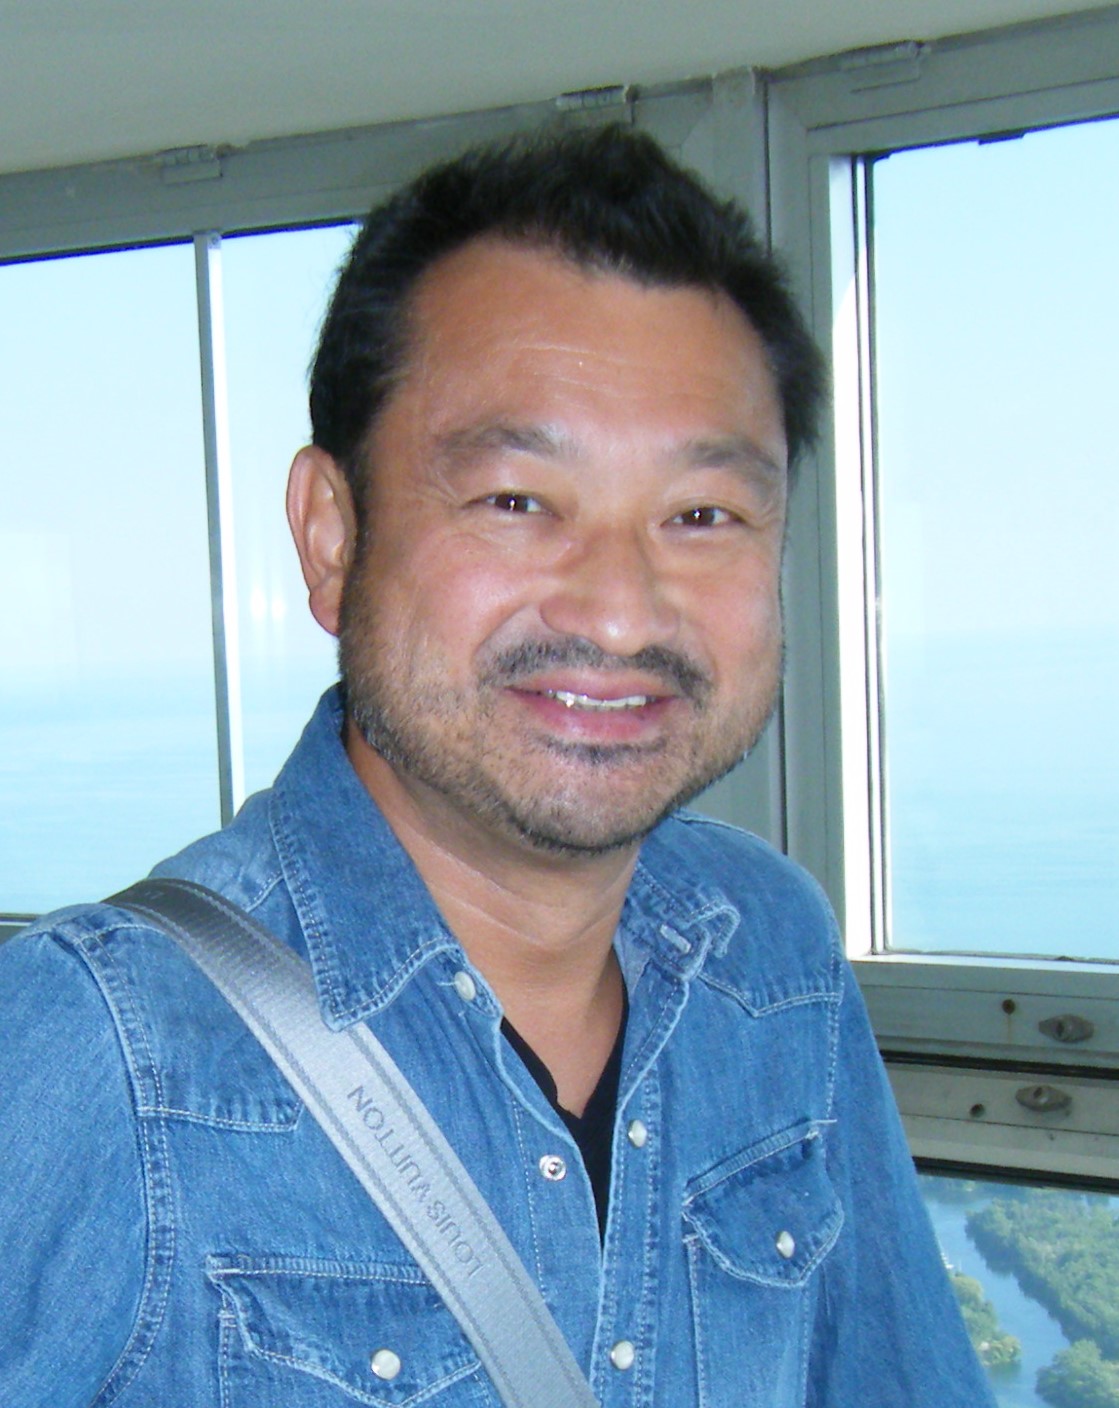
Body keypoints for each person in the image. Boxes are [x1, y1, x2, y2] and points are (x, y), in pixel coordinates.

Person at [0, 125, 994, 1407]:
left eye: (703, 514)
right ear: (333, 537)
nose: (623, 612)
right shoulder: (99, 1046)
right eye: (518, 500)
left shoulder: (770, 959)